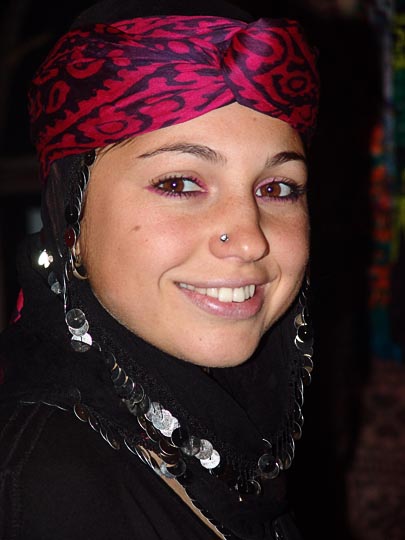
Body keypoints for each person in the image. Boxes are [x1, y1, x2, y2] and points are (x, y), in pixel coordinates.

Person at [0, 0, 319, 538]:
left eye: (277, 188)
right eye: (179, 184)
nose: (248, 238)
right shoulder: (50, 485)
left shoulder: (242, 436)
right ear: (70, 219)